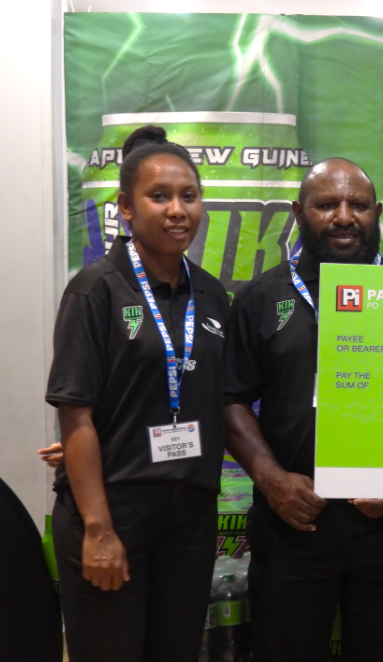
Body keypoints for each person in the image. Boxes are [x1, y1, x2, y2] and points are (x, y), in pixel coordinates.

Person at [223, 158, 383, 662]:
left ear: (377, 212)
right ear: (299, 213)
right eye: (326, 205)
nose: (343, 217)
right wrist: (272, 480)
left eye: (357, 205)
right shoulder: (259, 299)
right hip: (293, 528)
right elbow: (229, 398)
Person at [45, 125, 229, 662]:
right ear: (126, 207)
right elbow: (76, 415)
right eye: (159, 196)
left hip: (189, 518)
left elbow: (225, 401)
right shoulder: (95, 289)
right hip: (114, 513)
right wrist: (98, 529)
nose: (177, 210)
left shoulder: (212, 295)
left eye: (189, 196)